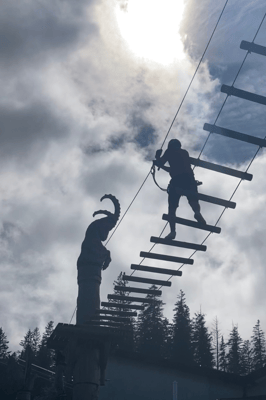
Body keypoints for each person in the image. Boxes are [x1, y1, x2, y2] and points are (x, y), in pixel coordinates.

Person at [154, 139, 206, 240]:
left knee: (172, 208)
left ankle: (173, 232)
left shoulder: (169, 152)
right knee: (193, 200)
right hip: (189, 179)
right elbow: (174, 169)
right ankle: (197, 212)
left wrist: (157, 157)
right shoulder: (184, 152)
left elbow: (162, 163)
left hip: (176, 181)